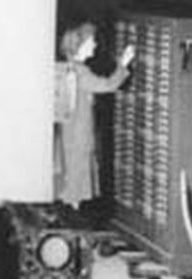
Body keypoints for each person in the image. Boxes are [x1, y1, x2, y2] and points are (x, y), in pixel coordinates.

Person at [54, 22, 136, 208]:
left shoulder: (68, 67)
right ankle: (73, 212)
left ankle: (71, 209)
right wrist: (123, 63)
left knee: (72, 174)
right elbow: (107, 85)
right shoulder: (81, 72)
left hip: (69, 132)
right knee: (77, 178)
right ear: (80, 45)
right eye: (91, 41)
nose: (95, 45)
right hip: (79, 134)